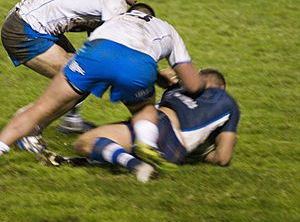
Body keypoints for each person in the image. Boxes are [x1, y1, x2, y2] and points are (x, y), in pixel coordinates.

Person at [0, 4, 205, 161]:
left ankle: (2, 145)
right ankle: (147, 144)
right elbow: (193, 85)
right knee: (144, 109)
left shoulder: (113, 19)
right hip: (138, 67)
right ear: (152, 17)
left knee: (40, 108)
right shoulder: (166, 28)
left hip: (95, 56)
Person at [1, 0, 158, 134]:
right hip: (24, 30)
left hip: (28, 20)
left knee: (82, 73)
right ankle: (29, 128)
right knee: (79, 79)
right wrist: (152, 78)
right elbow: (117, 50)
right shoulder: (114, 1)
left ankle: (67, 120)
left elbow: (98, 43)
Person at [72, 68, 240, 182]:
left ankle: (134, 165)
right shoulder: (228, 102)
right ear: (222, 87)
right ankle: (131, 161)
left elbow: (161, 78)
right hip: (175, 152)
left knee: (85, 142)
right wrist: (202, 154)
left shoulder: (178, 88)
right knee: (118, 143)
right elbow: (223, 158)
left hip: (159, 124)